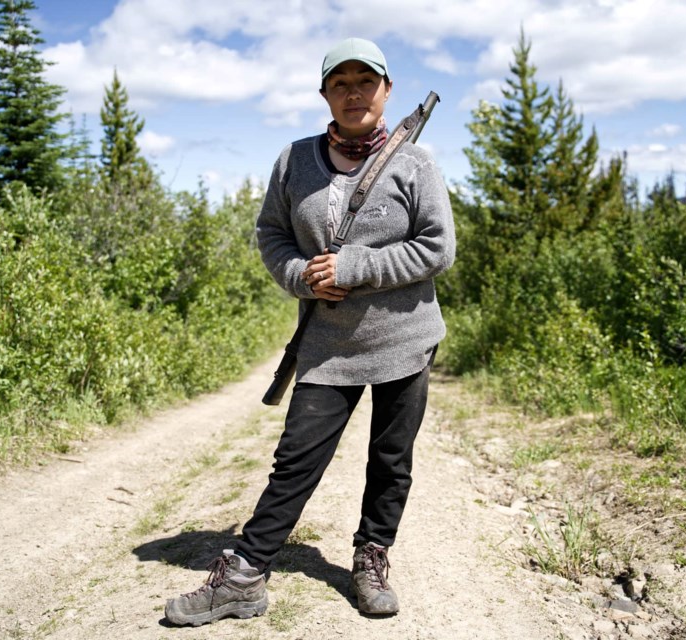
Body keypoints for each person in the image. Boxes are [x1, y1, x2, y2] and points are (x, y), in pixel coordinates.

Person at [164, 37, 455, 627]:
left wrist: (353, 267)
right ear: (325, 93)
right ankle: (244, 578)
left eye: (365, 81)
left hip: (405, 339)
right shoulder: (294, 160)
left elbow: (437, 248)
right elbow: (271, 234)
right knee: (295, 460)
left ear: (386, 90)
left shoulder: (415, 163)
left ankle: (372, 559)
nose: (354, 93)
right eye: (340, 82)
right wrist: (302, 276)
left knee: (390, 460)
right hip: (326, 346)